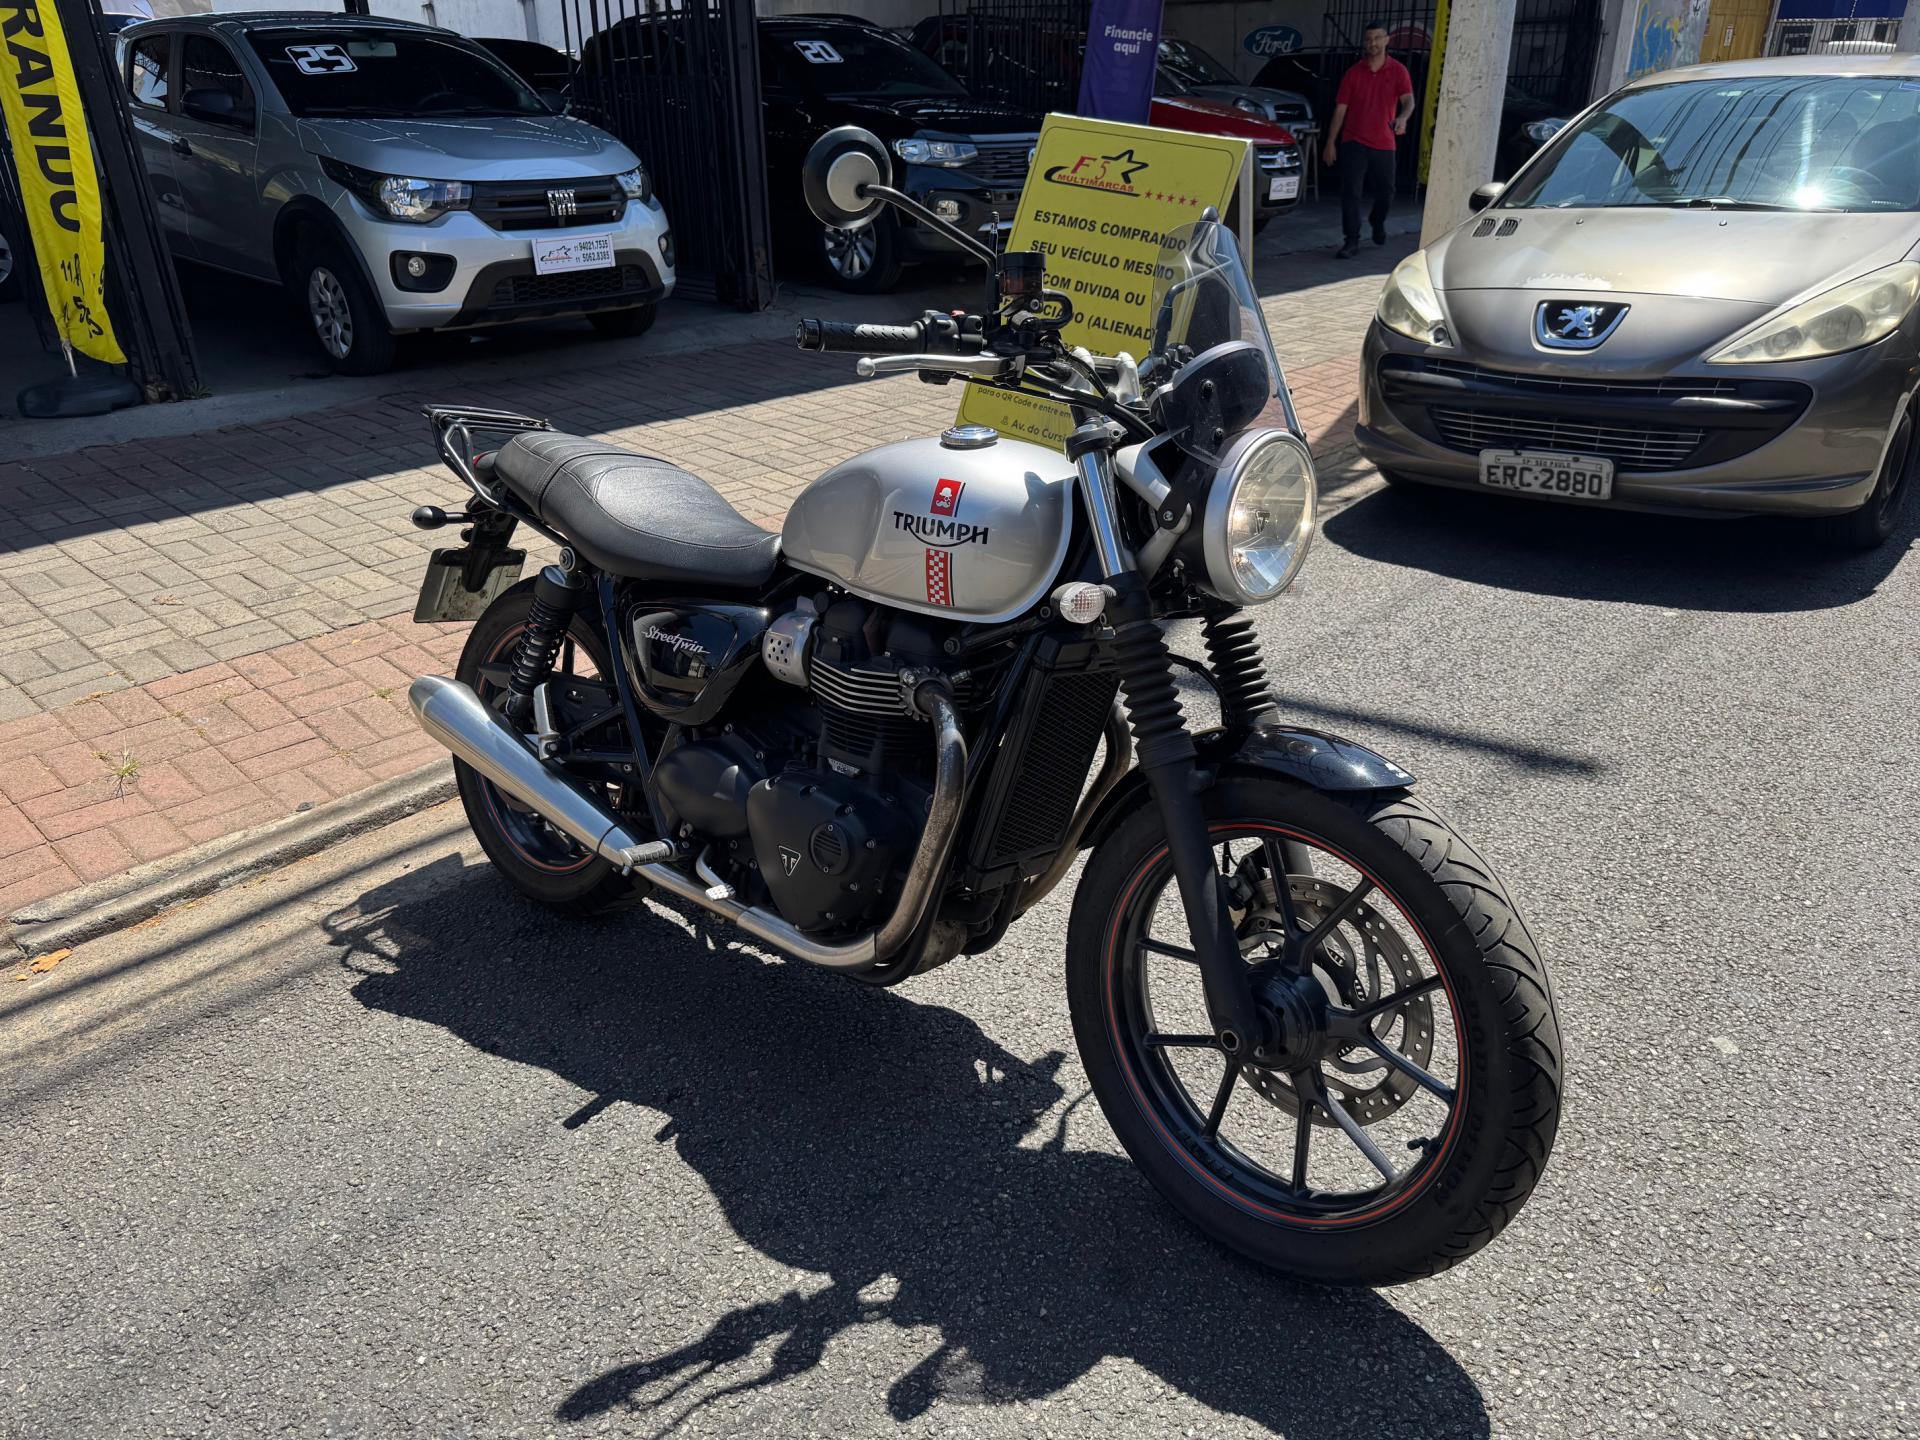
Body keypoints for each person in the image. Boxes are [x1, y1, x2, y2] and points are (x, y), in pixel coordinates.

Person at [1321, 23, 1415, 259]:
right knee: (1351, 192)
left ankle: (1377, 220)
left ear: (1387, 40)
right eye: (1368, 39)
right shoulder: (1353, 73)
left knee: (1387, 191)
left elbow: (1408, 101)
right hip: (1354, 140)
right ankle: (1351, 240)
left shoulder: (1398, 71)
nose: (1373, 43)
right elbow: (1340, 110)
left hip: (1384, 141)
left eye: (1377, 38)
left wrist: (1403, 118)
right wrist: (1331, 142)